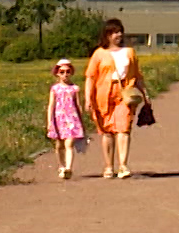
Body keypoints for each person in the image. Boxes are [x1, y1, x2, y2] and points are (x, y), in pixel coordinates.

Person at [84, 18, 144, 179]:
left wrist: (145, 93)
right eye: (115, 32)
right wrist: (88, 99)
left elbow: (137, 75)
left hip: (125, 94)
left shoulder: (129, 52)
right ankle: (109, 166)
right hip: (103, 95)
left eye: (120, 31)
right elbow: (90, 76)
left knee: (123, 128)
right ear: (107, 35)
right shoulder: (99, 54)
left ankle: (123, 165)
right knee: (107, 132)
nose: (119, 35)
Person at [45, 58, 84, 180]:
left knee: (69, 144)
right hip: (59, 119)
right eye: (62, 72)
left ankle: (68, 168)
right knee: (59, 145)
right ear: (57, 73)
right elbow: (51, 105)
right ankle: (61, 165)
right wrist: (49, 122)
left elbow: (78, 105)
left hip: (72, 119)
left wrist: (81, 121)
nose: (65, 74)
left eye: (67, 71)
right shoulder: (55, 88)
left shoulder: (75, 88)